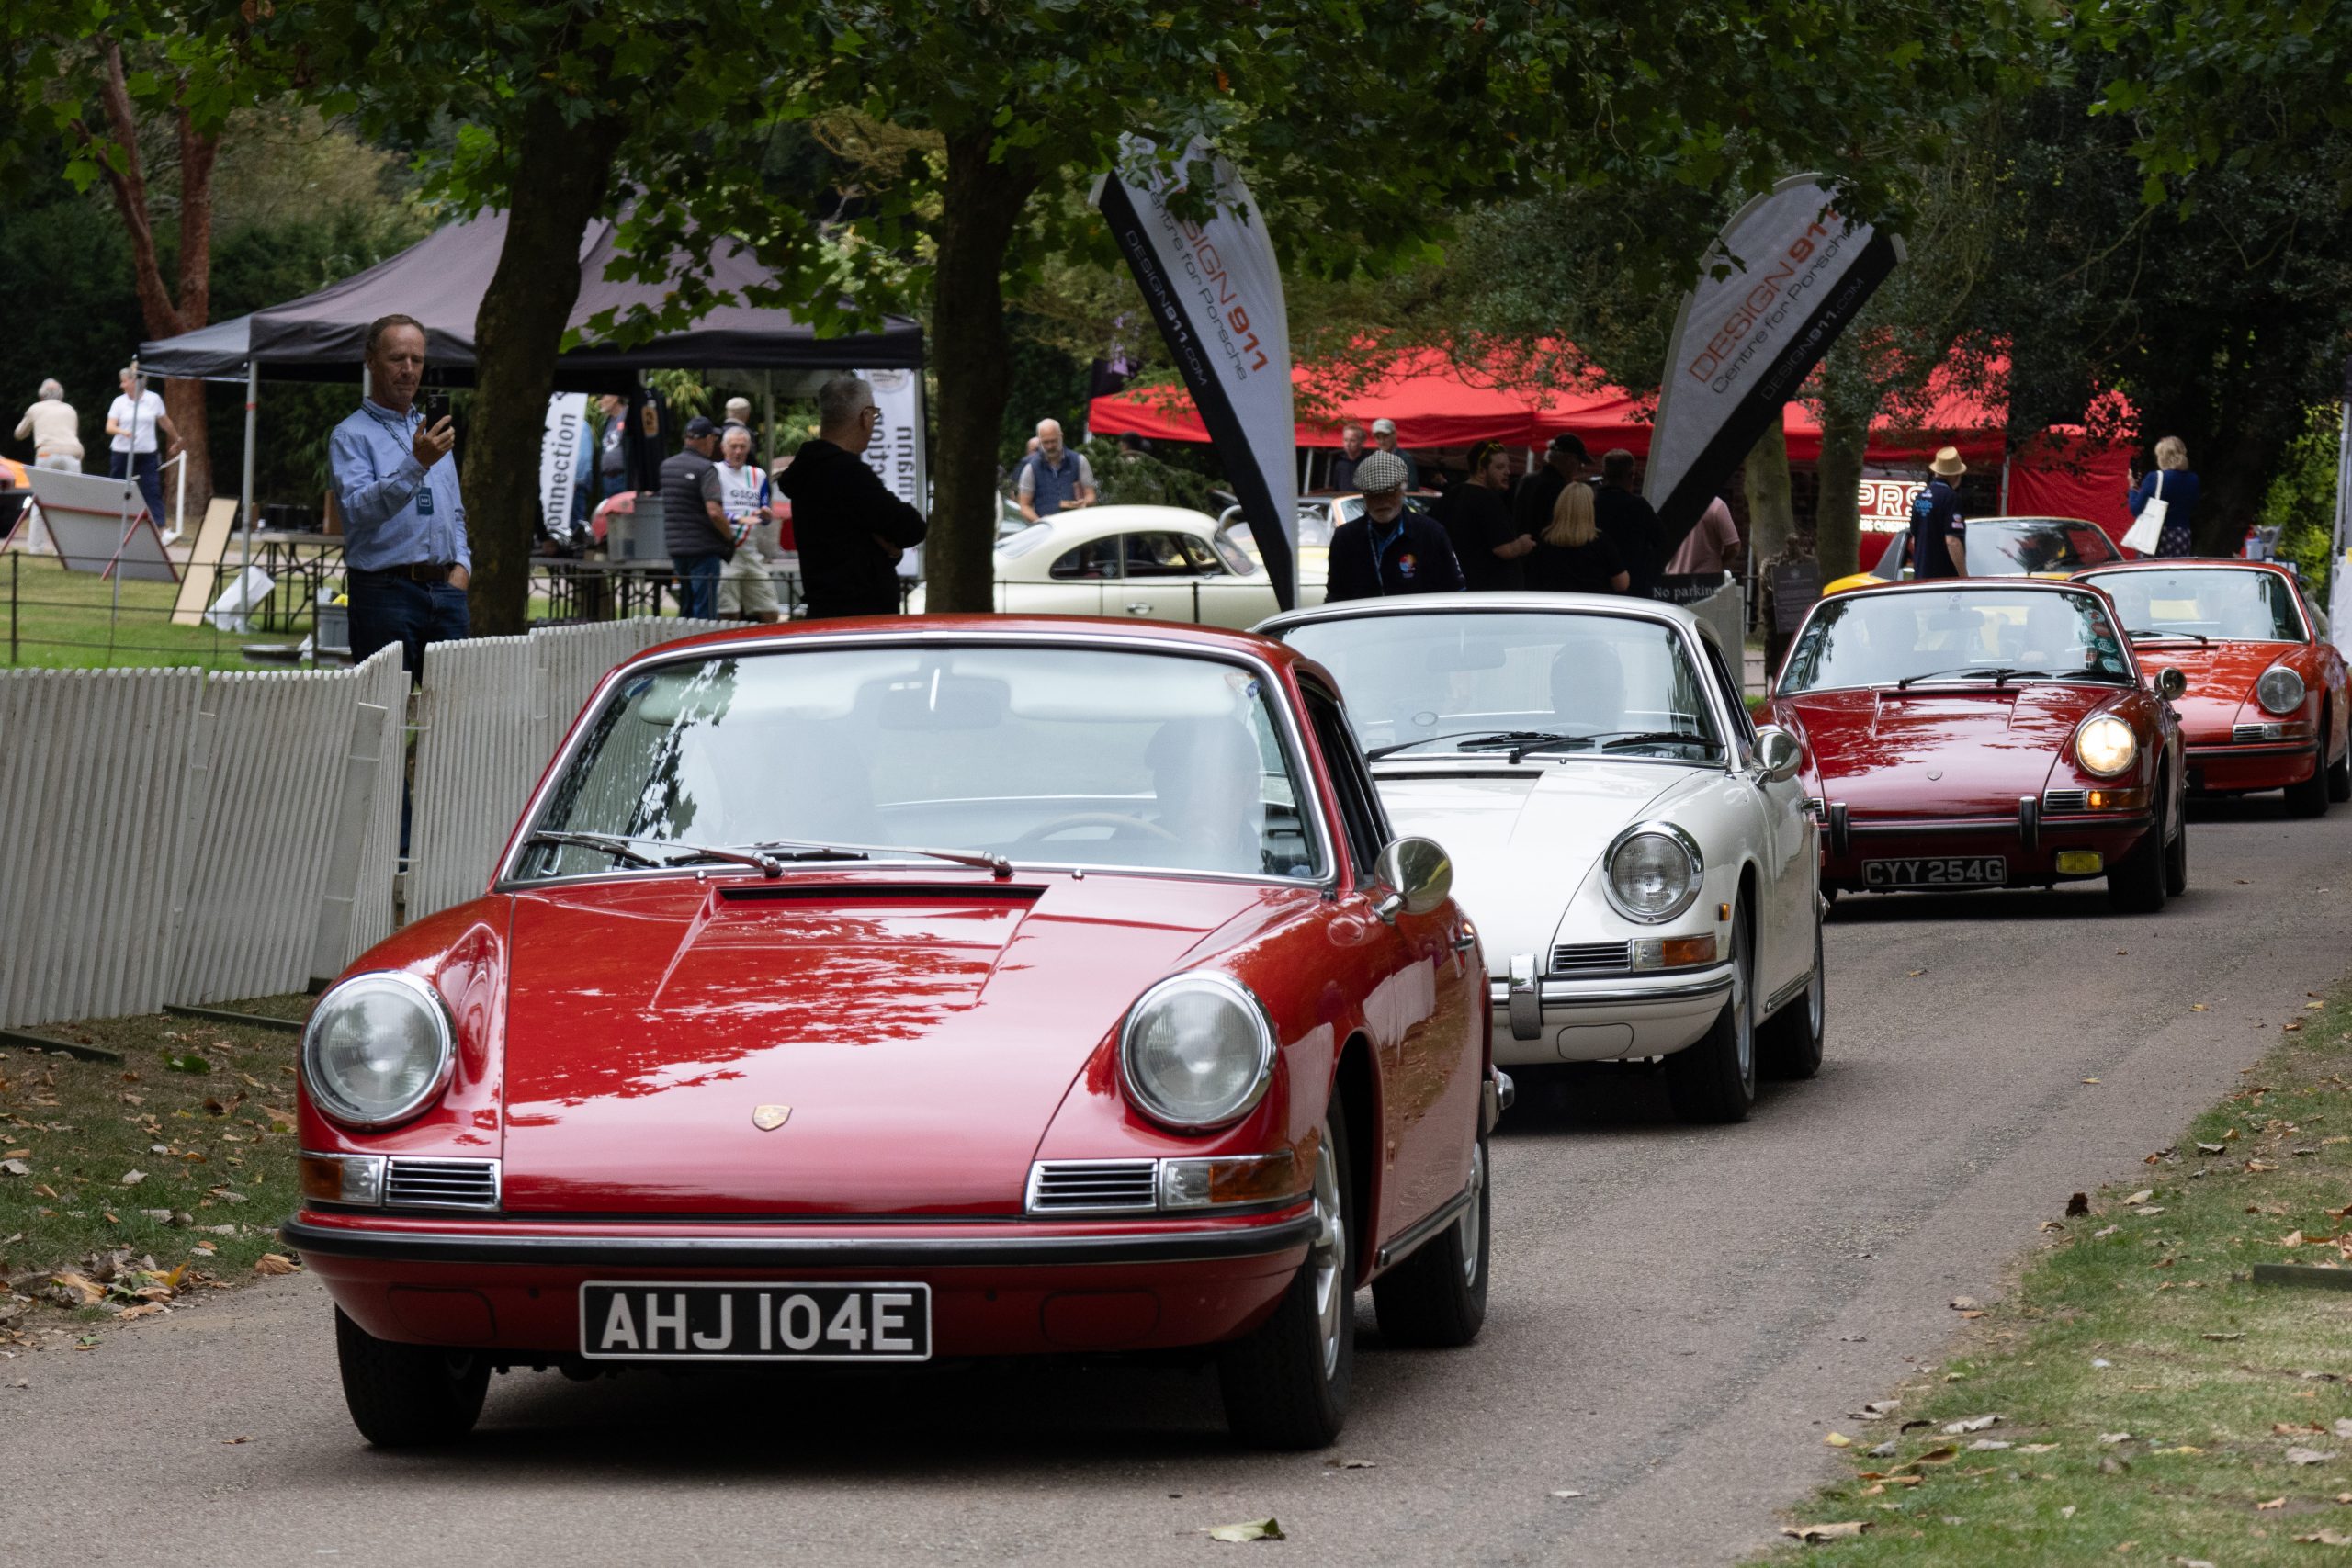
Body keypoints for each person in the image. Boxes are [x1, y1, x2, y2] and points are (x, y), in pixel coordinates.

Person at [328, 314, 469, 680]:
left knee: (452, 716)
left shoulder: (432, 432)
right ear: (371, 360)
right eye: (397, 359)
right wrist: (417, 463)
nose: (408, 370)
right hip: (384, 593)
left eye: (417, 360)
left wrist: (463, 568)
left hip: (446, 591)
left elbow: (454, 511)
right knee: (385, 715)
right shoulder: (350, 435)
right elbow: (359, 511)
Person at [778, 375, 930, 619]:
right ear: (865, 416)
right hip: (859, 617)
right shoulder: (847, 472)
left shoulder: (808, 470)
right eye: (875, 415)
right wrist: (889, 545)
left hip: (824, 608)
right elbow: (911, 528)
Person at [1323, 449, 1462, 601]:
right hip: (1363, 623)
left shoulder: (1431, 533)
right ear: (1364, 495)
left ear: (1403, 490)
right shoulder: (1346, 538)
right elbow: (1336, 594)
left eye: (1389, 492)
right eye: (1373, 494)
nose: (1382, 501)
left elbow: (1453, 590)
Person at [661, 415, 733, 620]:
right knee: (705, 611)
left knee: (686, 606)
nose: (715, 444)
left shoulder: (667, 466)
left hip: (677, 548)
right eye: (714, 439)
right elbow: (714, 511)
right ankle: (704, 649)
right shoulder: (706, 468)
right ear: (706, 439)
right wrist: (729, 538)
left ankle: (683, 647)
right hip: (704, 549)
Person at [1441, 440, 1536, 592]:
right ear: (1481, 470)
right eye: (1499, 467)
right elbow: (1504, 550)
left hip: (1461, 588)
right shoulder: (1487, 499)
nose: (1507, 472)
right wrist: (1522, 544)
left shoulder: (1451, 495)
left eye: (1507, 466)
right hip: (1489, 594)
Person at [715, 425, 781, 623]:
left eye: (742, 447)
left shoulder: (758, 475)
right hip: (727, 551)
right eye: (733, 446)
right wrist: (739, 519)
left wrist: (765, 515)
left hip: (752, 551)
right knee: (728, 611)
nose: (738, 451)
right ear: (723, 448)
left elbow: (764, 516)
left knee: (770, 610)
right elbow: (711, 510)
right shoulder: (715, 472)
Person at [1525, 479, 1629, 594]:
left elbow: (1532, 581)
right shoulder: (1601, 542)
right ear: (1589, 508)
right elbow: (1622, 584)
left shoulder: (1544, 541)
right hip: (1591, 607)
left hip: (1553, 607)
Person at [105, 367, 178, 527]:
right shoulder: (119, 402)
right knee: (117, 487)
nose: (121, 385)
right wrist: (122, 431)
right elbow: (109, 427)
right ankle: (114, 521)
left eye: (124, 382)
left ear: (135, 381)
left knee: (152, 490)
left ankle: (159, 526)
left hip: (147, 453)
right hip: (121, 452)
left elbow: (165, 422)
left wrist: (176, 439)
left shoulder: (154, 399)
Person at [1593, 448, 1666, 597]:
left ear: (1603, 475)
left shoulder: (1590, 504)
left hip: (1596, 587)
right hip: (1635, 590)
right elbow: (1662, 541)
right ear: (1632, 476)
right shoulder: (1639, 506)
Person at [2128, 436, 2200, 558]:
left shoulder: (2155, 478)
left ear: (2162, 457)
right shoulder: (2193, 480)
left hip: (2157, 535)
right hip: (2182, 535)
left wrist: (2133, 488)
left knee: (2152, 574)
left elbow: (2136, 509)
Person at [1015, 419, 1097, 520]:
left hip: (1076, 526)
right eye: (1045, 442)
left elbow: (1091, 495)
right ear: (1039, 441)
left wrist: (1084, 503)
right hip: (1047, 531)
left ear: (1061, 436)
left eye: (1053, 441)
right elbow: (1024, 506)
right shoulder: (1031, 468)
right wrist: (1041, 522)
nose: (1050, 446)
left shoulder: (1079, 461)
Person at [1514, 432, 1589, 538]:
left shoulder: (1527, 480)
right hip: (1548, 550)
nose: (1581, 468)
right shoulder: (1562, 488)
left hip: (1524, 549)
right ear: (1569, 459)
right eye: (1580, 462)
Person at [1913, 446, 1968, 580]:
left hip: (1921, 577)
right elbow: (1952, 540)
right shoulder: (1950, 498)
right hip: (1943, 581)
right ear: (1955, 475)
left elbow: (1914, 538)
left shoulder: (1920, 497)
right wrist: (1964, 577)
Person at [1665, 493, 1743, 577]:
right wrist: (1720, 561)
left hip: (1673, 581)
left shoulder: (1668, 505)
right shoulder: (1716, 505)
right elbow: (1734, 546)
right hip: (1707, 581)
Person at [16, 379, 83, 472]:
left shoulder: (35, 408)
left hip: (46, 453)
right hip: (72, 454)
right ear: (61, 396)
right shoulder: (70, 409)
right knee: (72, 487)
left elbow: (19, 434)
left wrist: (29, 432)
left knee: (44, 486)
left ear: (41, 396)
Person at [1368, 418, 1420, 490]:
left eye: (1385, 436)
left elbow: (1413, 488)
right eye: (1378, 437)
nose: (1382, 441)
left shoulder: (1405, 458)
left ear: (1394, 435)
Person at [1327, 422, 1370, 491]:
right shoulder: (1340, 464)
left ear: (1361, 442)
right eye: (1346, 440)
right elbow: (1336, 489)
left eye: (1352, 440)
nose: (1348, 444)